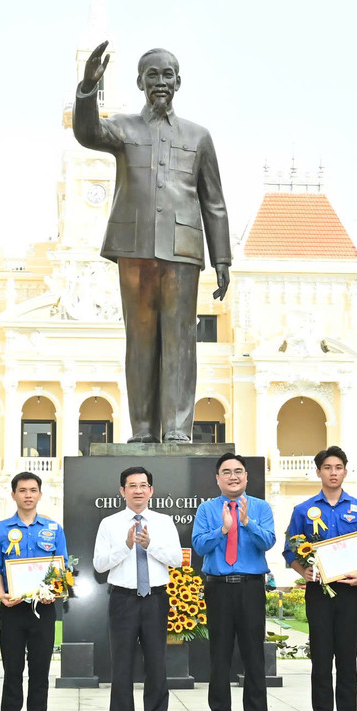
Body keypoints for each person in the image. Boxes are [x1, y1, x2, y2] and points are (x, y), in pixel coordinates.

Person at [72, 42, 232, 443]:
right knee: (140, 338)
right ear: (140, 81)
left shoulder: (199, 136)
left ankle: (178, 431)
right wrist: (88, 88)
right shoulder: (124, 127)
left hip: (183, 249)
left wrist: (222, 259)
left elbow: (214, 201)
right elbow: (87, 132)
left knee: (181, 340)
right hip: (134, 245)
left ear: (178, 82)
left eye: (167, 75)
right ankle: (143, 430)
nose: (160, 82)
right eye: (152, 75)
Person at [282, 446, 357, 711]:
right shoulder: (303, 510)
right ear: (318, 472)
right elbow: (290, 550)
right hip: (318, 593)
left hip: (350, 593)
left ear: (345, 471)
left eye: (338, 467)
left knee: (347, 659)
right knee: (321, 658)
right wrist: (302, 571)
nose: (333, 473)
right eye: (327, 467)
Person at [93, 466, 181, 711]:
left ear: (151, 490)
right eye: (132, 486)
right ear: (122, 491)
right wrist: (126, 545)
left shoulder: (164, 522)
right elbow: (99, 564)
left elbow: (176, 559)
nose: (138, 490)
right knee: (121, 664)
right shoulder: (109, 524)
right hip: (123, 599)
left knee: (157, 663)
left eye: (143, 485)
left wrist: (150, 545)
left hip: (155, 598)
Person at [192, 453, 276, 711]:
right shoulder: (206, 509)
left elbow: (268, 541)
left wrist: (247, 522)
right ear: (217, 478)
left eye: (238, 471)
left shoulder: (261, 507)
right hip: (219, 587)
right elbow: (200, 546)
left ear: (246, 476)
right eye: (226, 472)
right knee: (219, 655)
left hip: (251, 586)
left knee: (254, 655)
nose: (233, 476)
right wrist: (224, 529)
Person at [0, 472, 68, 711]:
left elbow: (62, 567)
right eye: (22, 490)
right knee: (12, 668)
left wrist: (54, 593)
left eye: (33, 490)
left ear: (40, 494)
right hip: (12, 607)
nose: (28, 495)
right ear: (13, 495)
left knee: (40, 668)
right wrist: (1, 594)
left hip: (43, 609)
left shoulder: (54, 528)